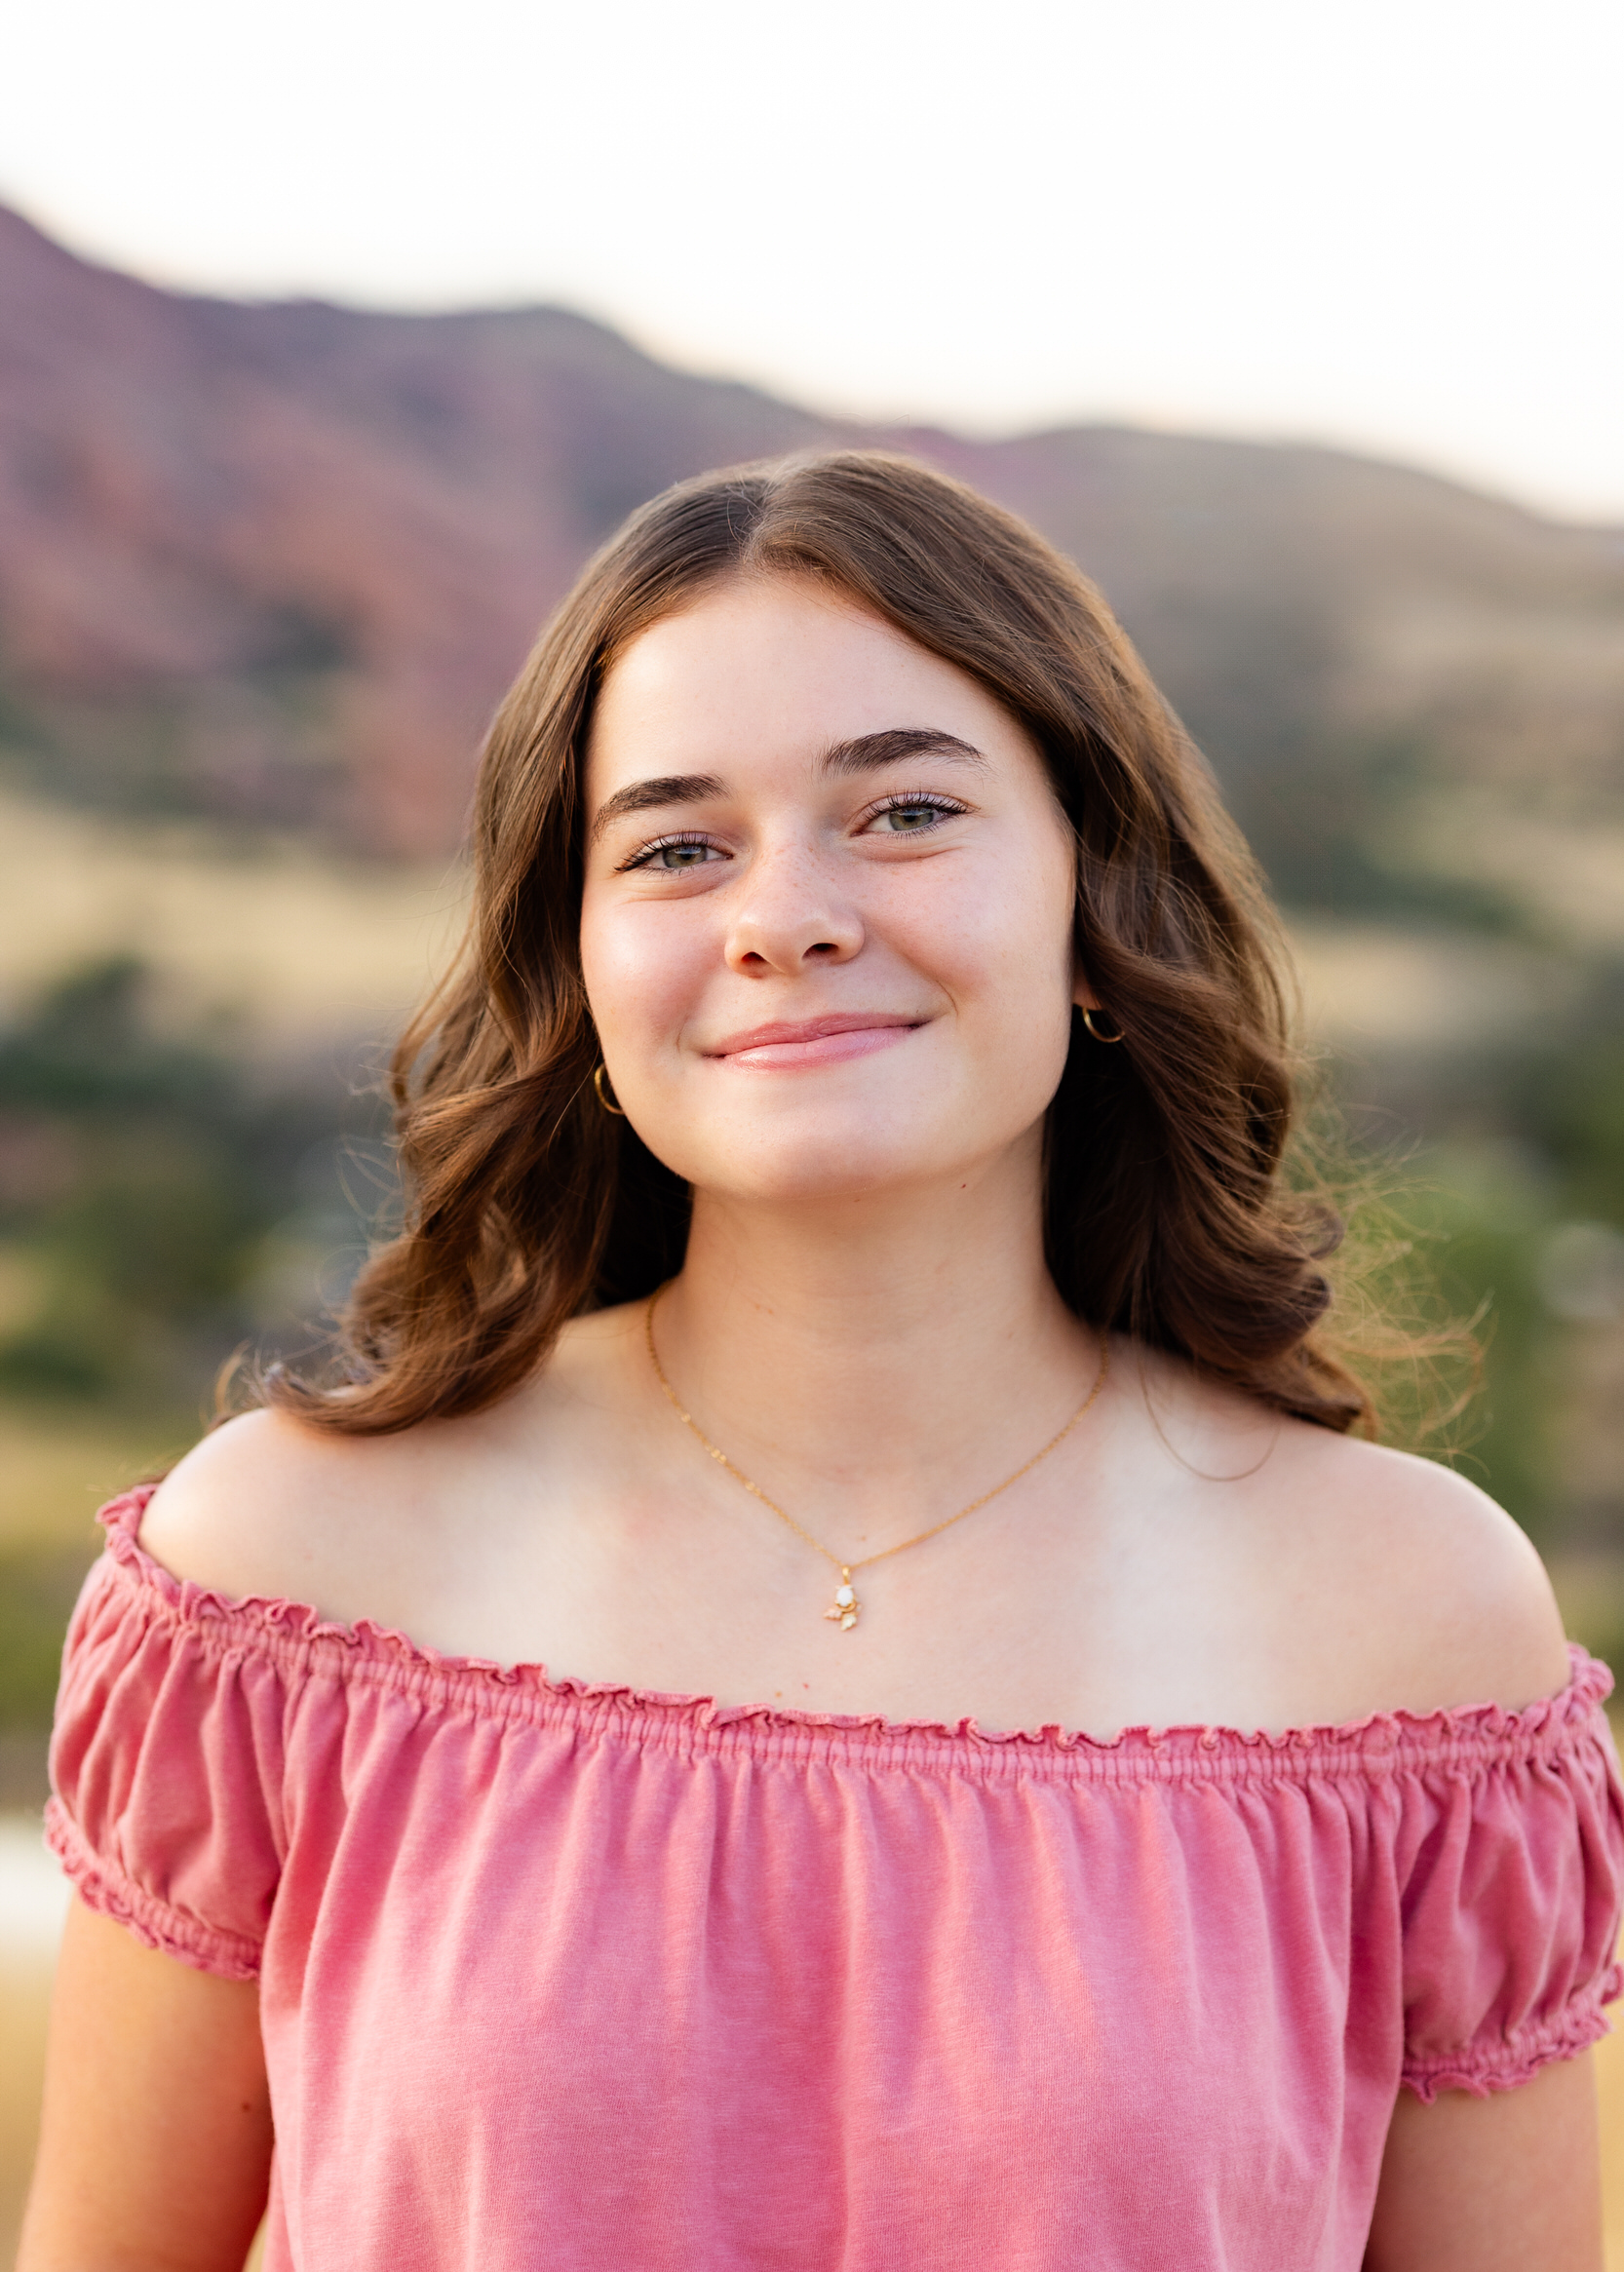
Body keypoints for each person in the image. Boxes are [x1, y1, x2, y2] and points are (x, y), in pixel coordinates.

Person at [20, 452, 1622, 2272]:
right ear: (585, 963)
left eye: (905, 812)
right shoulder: (286, 1579)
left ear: (1098, 904)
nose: (783, 915)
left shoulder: (1409, 1631)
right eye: (677, 846)